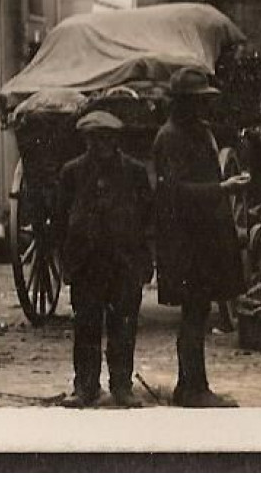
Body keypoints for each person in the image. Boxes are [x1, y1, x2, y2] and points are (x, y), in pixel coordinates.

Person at [152, 67, 250, 407]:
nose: (201, 108)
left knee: (199, 312)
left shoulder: (197, 133)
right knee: (193, 314)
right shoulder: (170, 137)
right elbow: (174, 192)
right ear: (180, 104)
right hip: (184, 241)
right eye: (196, 102)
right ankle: (193, 389)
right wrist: (221, 188)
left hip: (202, 239)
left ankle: (192, 385)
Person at [53, 109, 154, 408]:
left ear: (116, 139)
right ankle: (86, 386)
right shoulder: (72, 172)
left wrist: (143, 257)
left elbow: (148, 216)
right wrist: (67, 259)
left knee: (124, 325)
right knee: (86, 326)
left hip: (123, 261)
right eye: (95, 139)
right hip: (87, 263)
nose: (102, 145)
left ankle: (121, 385)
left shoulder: (134, 172)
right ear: (86, 141)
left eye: (107, 138)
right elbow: (60, 218)